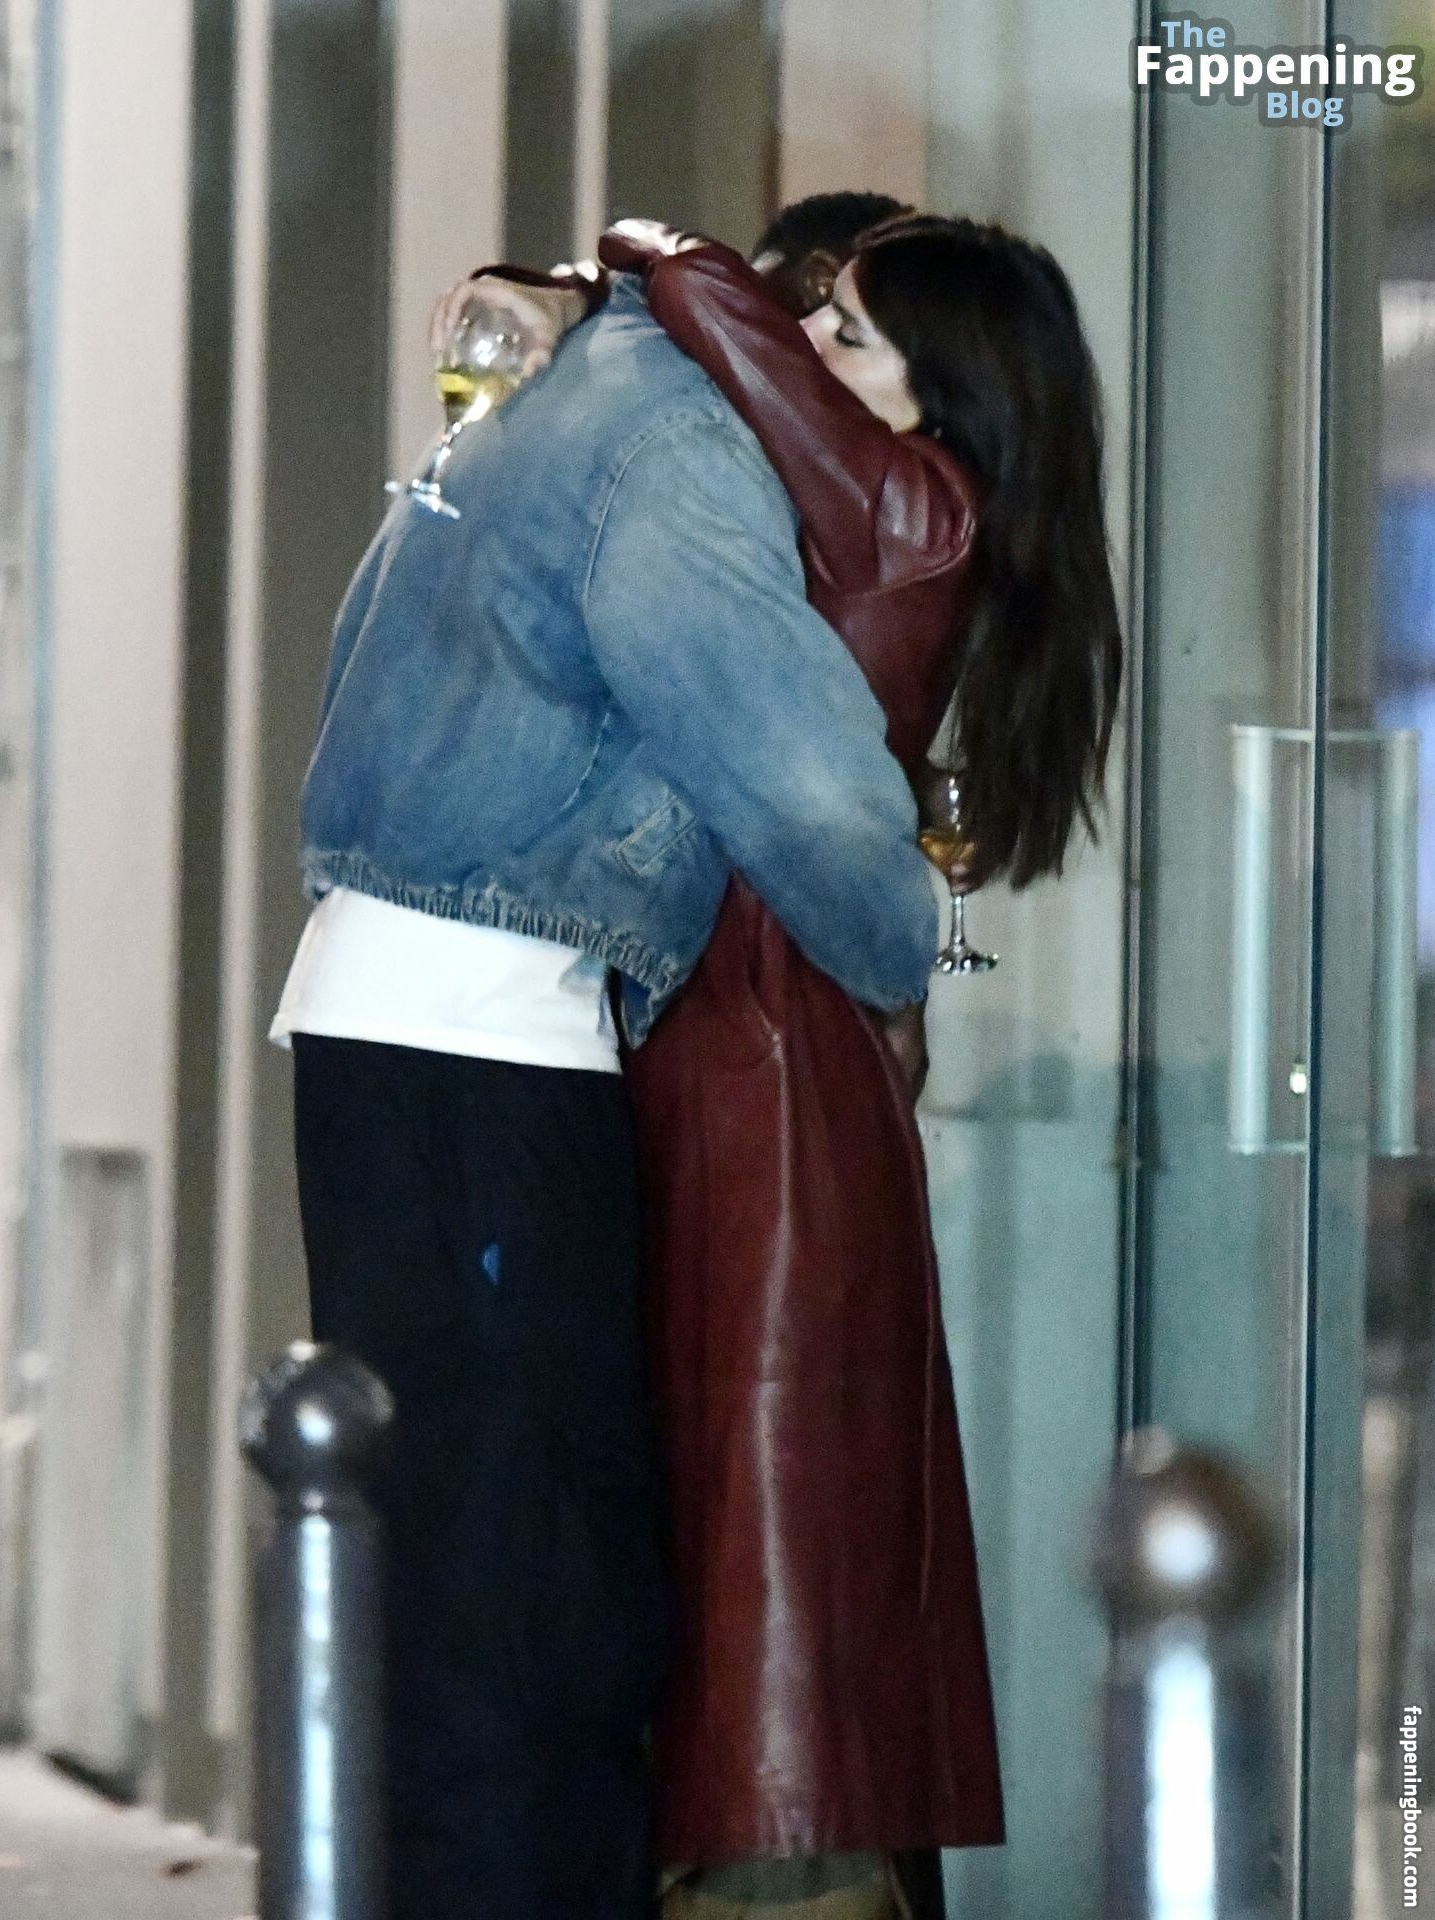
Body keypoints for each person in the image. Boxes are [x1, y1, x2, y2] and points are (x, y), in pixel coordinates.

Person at [269, 211, 945, 1919]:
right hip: (481, 1034)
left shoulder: (579, 391)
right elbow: (801, 784)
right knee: (532, 1616)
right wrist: (907, 945)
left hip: (407, 1020)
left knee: (461, 1586)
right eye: (854, 349)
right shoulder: (674, 444)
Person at [453, 204, 1122, 1919]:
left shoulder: (911, 509)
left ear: (939, 399)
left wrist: (629, 254)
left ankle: (773, 1868)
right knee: (763, 1509)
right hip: (768, 1037)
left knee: (766, 1522)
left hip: (762, 1053)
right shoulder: (899, 511)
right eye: (816, 321)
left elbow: (714, 308)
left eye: (852, 335)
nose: (810, 350)